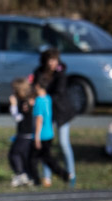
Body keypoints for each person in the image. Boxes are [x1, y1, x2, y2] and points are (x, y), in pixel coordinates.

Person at [30, 48, 76, 187]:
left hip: (61, 112)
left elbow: (59, 93)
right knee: (45, 146)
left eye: (55, 60)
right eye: (50, 60)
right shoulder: (39, 72)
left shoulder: (60, 74)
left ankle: (71, 174)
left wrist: (44, 99)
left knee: (63, 143)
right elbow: (34, 89)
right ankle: (47, 177)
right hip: (46, 114)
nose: (53, 63)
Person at [32, 81, 72, 185]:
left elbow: (39, 119)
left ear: (37, 86)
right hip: (49, 133)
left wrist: (36, 137)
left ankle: (36, 180)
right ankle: (63, 175)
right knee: (46, 158)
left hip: (41, 135)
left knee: (34, 159)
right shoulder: (48, 98)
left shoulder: (39, 101)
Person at [7, 78, 37, 187]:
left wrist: (13, 105)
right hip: (26, 133)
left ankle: (21, 174)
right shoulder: (28, 100)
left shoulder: (25, 103)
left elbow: (18, 118)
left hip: (25, 133)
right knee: (23, 156)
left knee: (14, 154)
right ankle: (26, 175)